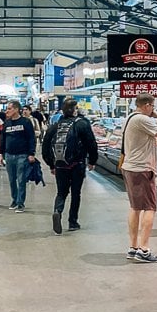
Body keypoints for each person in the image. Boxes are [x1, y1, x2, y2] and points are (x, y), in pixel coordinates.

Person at [120, 93, 157, 262]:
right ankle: (144, 249)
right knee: (149, 208)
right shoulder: (142, 119)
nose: (153, 109)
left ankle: (133, 247)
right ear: (147, 105)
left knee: (135, 208)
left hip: (131, 167)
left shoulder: (130, 117)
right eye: (153, 106)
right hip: (142, 169)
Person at [42, 97, 98, 234]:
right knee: (75, 193)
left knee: (61, 192)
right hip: (77, 164)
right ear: (74, 110)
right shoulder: (82, 124)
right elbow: (91, 143)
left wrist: (51, 165)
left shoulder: (55, 126)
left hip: (60, 165)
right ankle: (73, 222)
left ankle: (58, 210)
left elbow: (45, 147)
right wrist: (92, 161)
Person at [1, 101, 37, 212]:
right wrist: (1, 154)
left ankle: (20, 203)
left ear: (16, 109)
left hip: (22, 155)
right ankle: (14, 200)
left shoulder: (25, 122)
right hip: (9, 155)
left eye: (9, 109)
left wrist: (31, 153)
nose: (7, 111)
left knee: (21, 179)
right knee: (12, 180)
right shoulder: (6, 123)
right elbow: (3, 139)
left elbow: (31, 138)